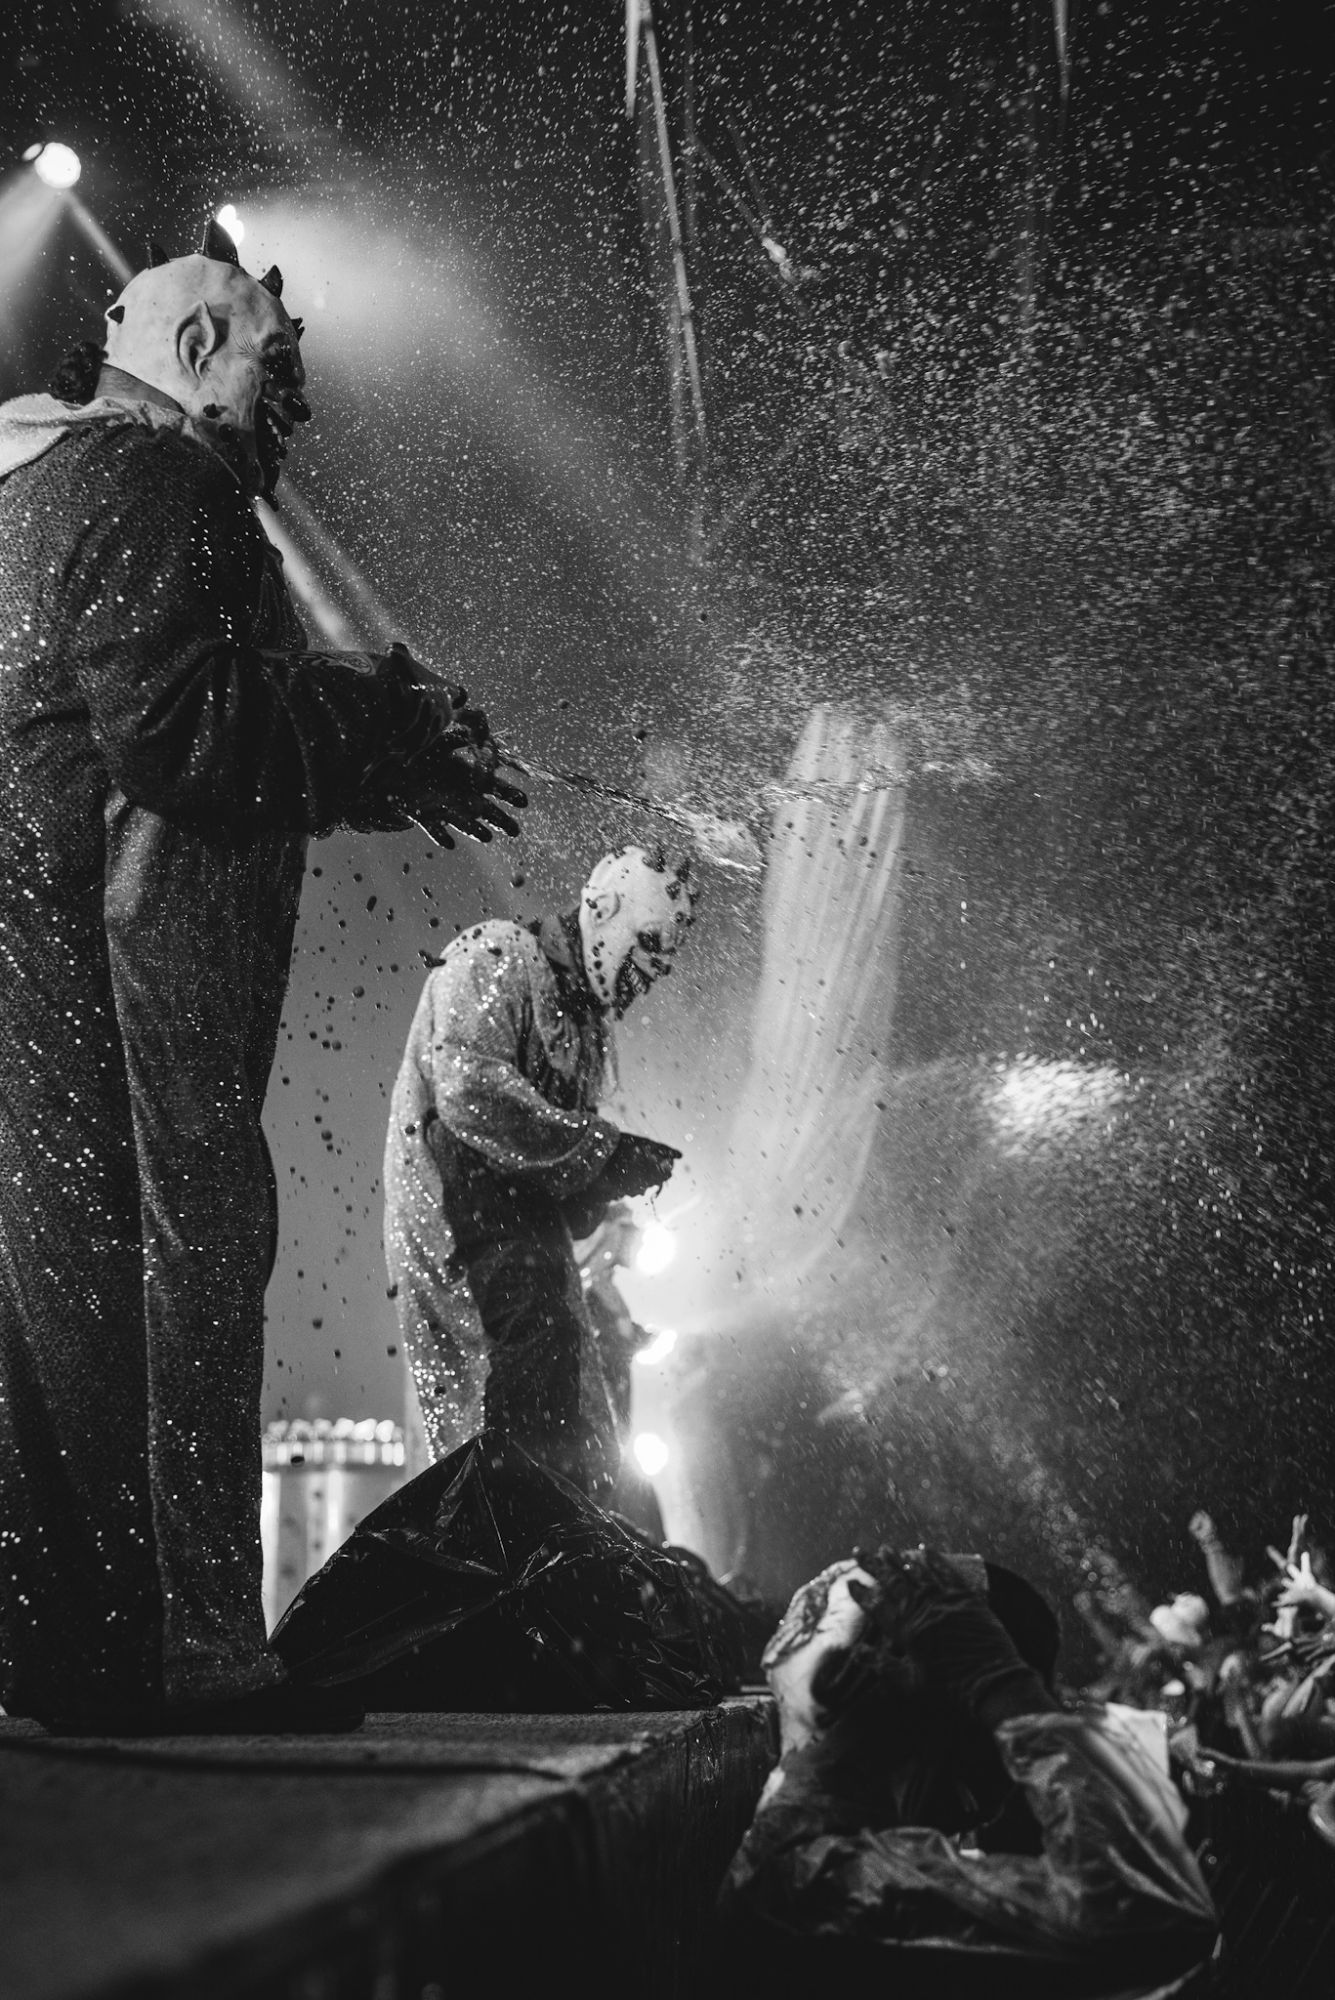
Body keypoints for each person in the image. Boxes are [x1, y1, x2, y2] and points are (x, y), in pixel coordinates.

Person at [0, 220, 524, 1735]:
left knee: (59, 1303)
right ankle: (189, 1650)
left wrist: (360, 731)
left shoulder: (34, 487)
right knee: (179, 1265)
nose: (296, 410)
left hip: (46, 991)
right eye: (279, 372)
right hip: (121, 995)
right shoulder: (159, 481)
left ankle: (85, 1655)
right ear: (193, 352)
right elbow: (187, 731)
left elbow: (158, 709)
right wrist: (392, 737)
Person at [718, 1545, 1220, 1997]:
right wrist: (1004, 1688)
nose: (1005, 1751)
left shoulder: (822, 1848)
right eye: (996, 1699)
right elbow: (1154, 1919)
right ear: (906, 1681)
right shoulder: (812, 1884)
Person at [384, 844, 695, 1496]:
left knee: (574, 1429)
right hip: (459, 1239)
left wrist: (603, 1183)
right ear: (601, 909)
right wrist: (605, 1154)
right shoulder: (494, 955)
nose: (647, 973)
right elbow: (470, 1093)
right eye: (645, 945)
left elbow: (564, 1178)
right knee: (506, 1427)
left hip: (526, 1248)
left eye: (660, 961)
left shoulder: (590, 1031)